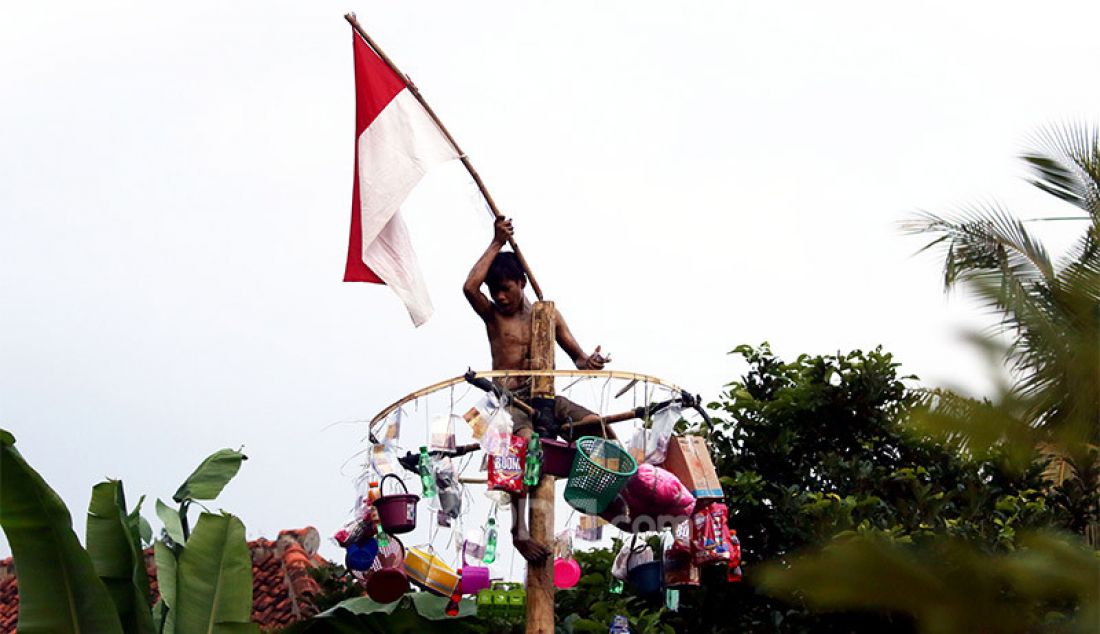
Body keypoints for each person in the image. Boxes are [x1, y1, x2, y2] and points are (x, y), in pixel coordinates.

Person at [463, 216, 610, 562]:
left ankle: (613, 494)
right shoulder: (494, 316)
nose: (499, 296)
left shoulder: (547, 315)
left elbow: (579, 358)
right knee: (526, 445)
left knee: (598, 425)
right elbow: (470, 288)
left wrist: (592, 361)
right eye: (494, 290)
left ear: (522, 282)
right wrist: (497, 241)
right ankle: (520, 532)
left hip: (548, 399)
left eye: (506, 288)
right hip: (510, 403)